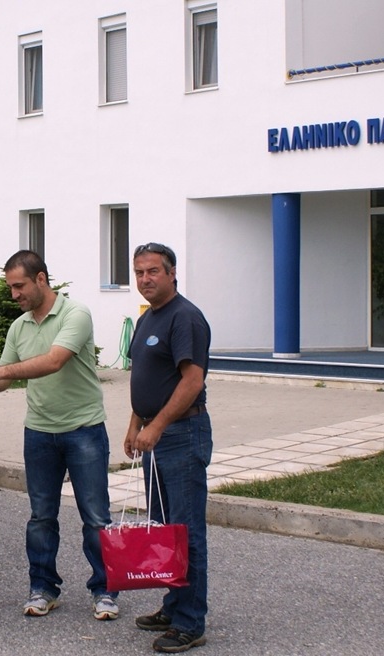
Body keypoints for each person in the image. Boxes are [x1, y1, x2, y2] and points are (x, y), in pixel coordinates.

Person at [0, 250, 119, 621]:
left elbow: (53, 361)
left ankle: (105, 591)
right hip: (40, 433)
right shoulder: (20, 326)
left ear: (41, 279)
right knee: (41, 517)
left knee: (95, 517)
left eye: (19, 286)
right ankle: (43, 588)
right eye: (10, 287)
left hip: (84, 429)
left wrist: (0, 371)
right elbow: (7, 378)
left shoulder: (75, 314)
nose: (14, 294)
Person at [123, 242, 212, 653]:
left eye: (154, 271)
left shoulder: (186, 318)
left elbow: (191, 381)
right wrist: (134, 423)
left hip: (181, 434)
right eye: (140, 272)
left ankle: (191, 622)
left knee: (187, 531)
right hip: (155, 435)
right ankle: (173, 604)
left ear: (172, 272)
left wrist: (156, 425)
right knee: (164, 530)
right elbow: (144, 377)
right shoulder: (147, 319)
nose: (145, 279)